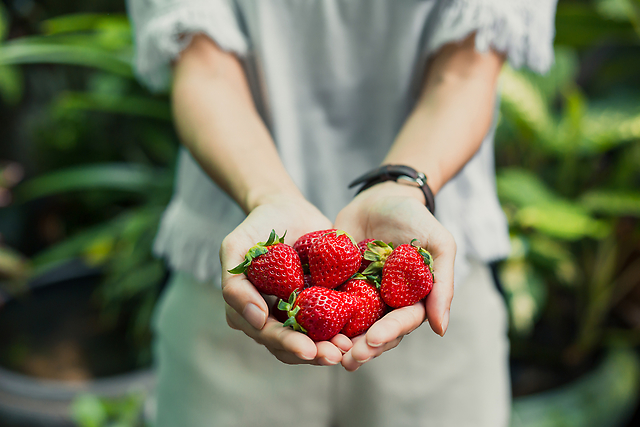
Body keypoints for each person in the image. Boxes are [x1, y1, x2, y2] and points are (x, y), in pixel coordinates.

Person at [127, 0, 558, 426]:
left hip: (435, 286)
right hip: (236, 283)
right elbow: (205, 69)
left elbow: (467, 69)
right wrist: (267, 196)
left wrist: (403, 188)